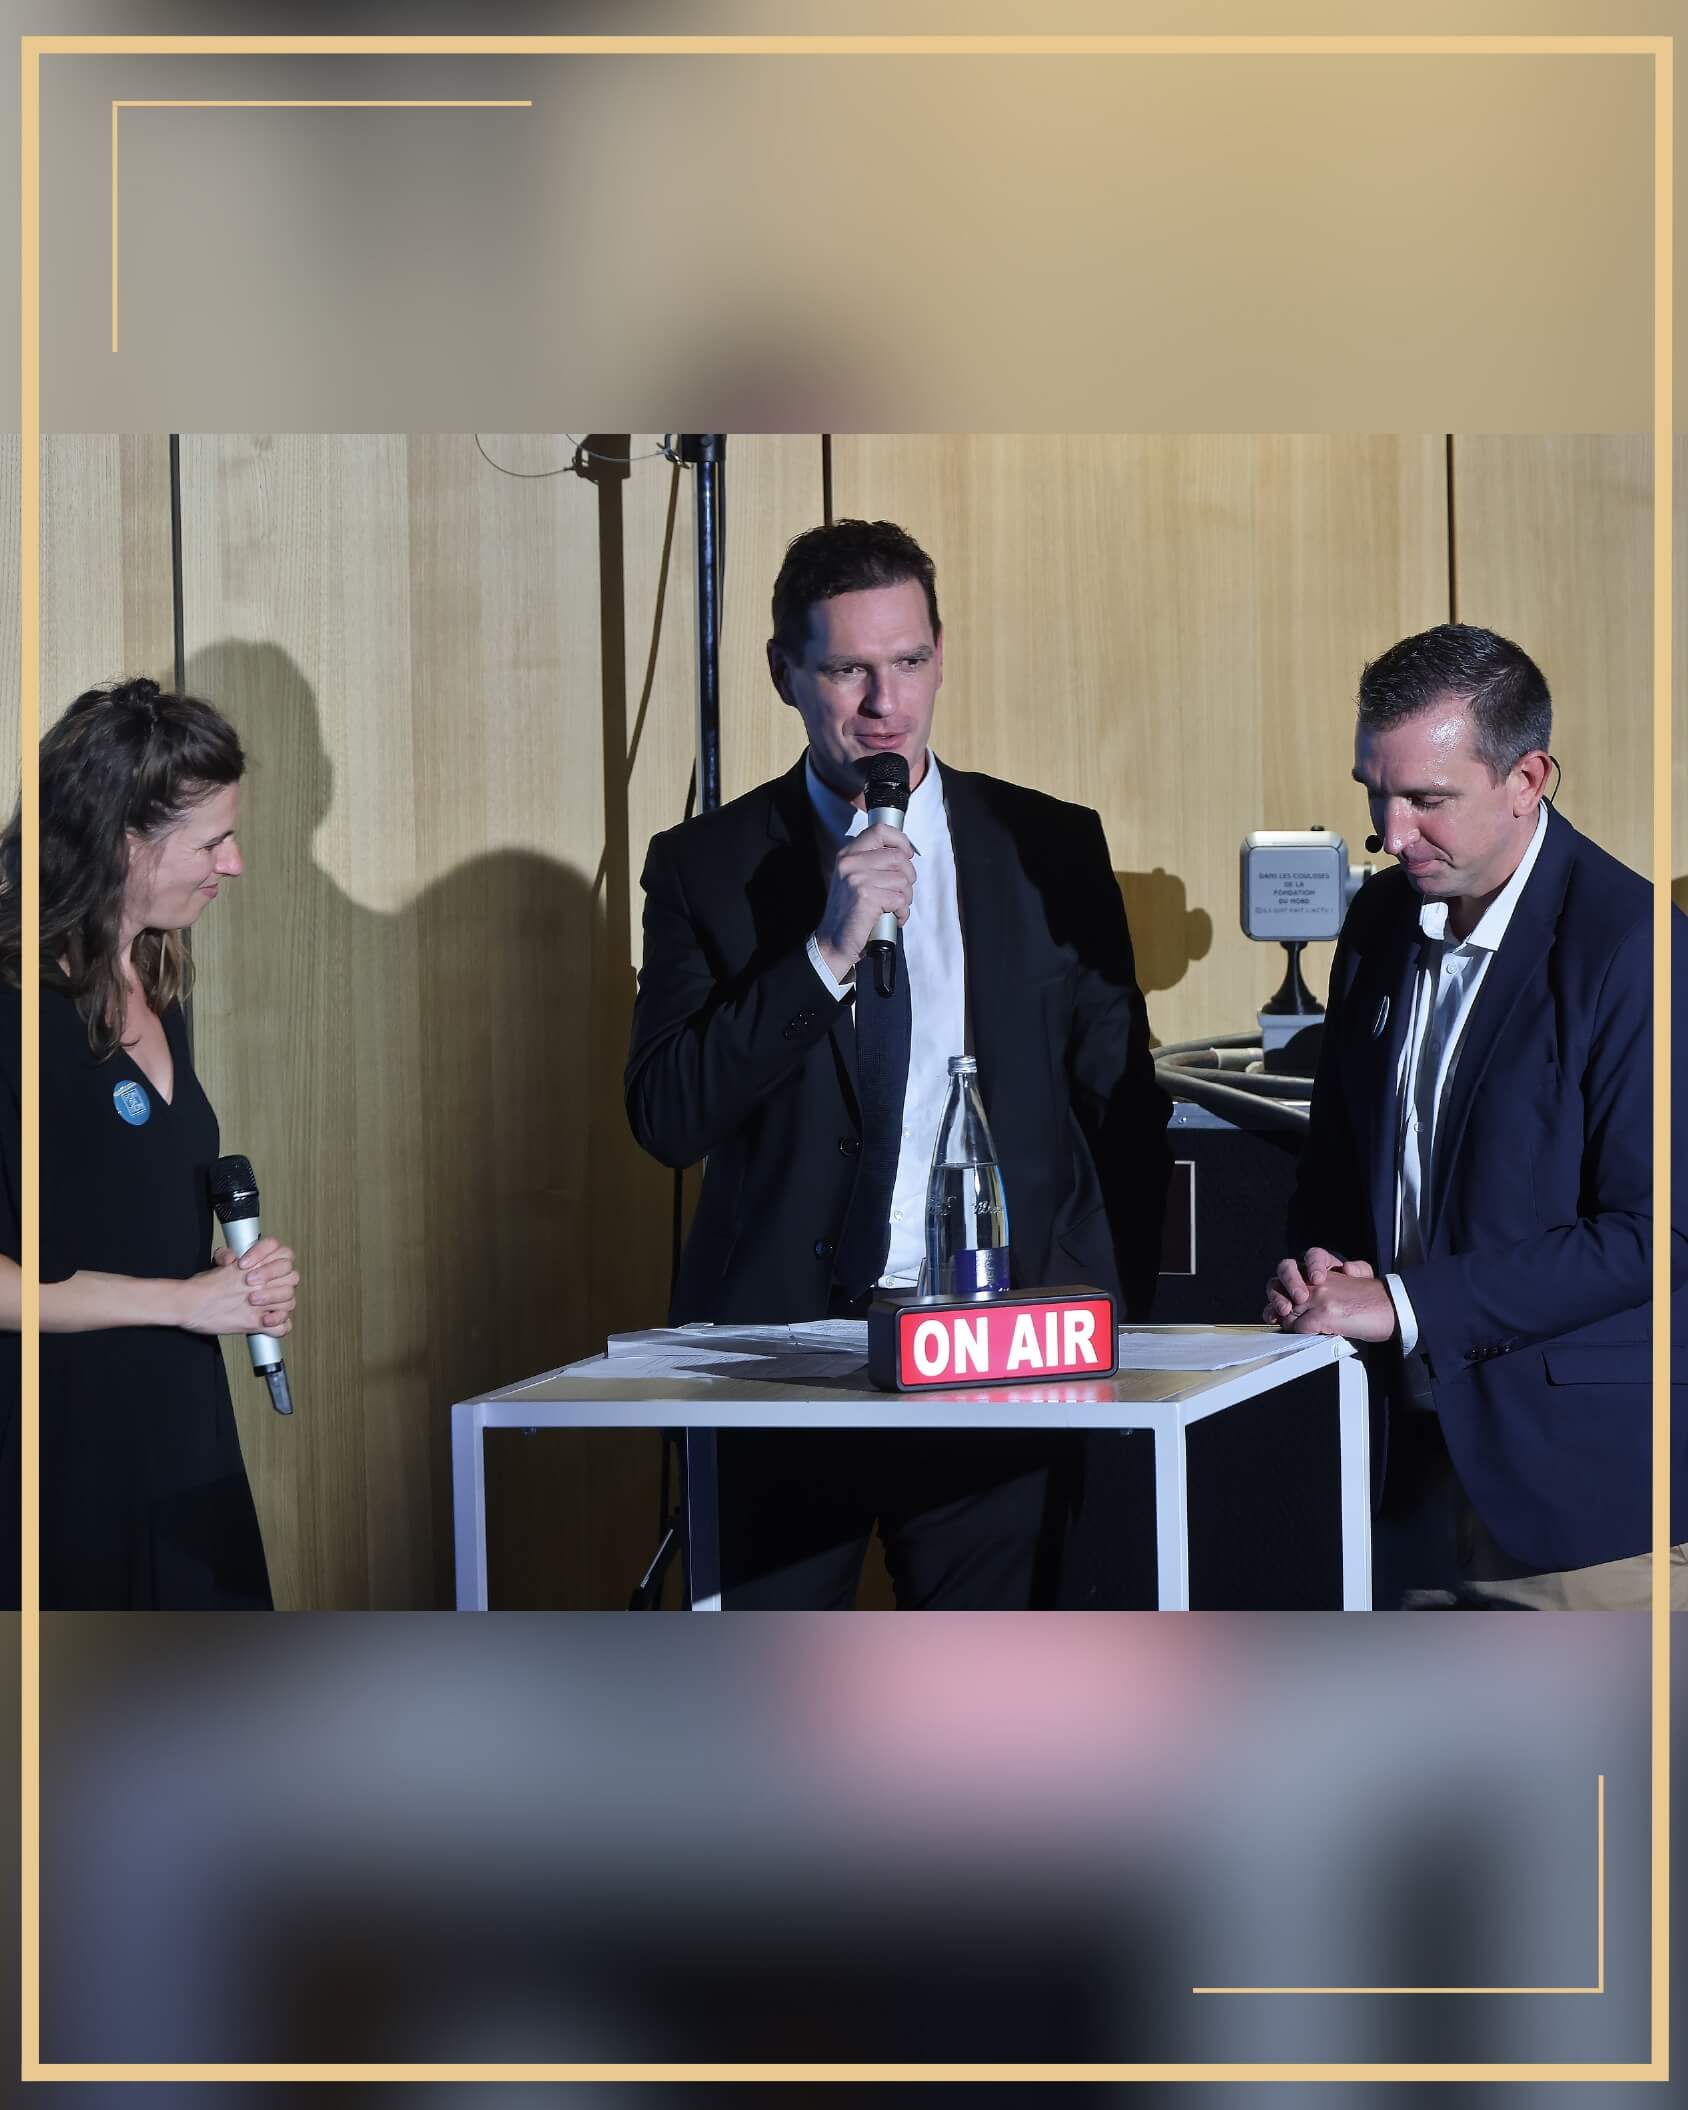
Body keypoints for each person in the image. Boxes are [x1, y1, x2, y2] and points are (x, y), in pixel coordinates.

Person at [626, 519, 1171, 1608]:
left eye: (909, 660)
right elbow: (667, 1116)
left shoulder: (1050, 846)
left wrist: (1112, 1321)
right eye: (847, 670)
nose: (886, 703)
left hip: (1001, 1353)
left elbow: (1120, 1113)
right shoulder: (705, 866)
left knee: (986, 1700)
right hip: (780, 1367)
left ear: (940, 655)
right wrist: (823, 955)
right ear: (784, 673)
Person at [1264, 624, 1685, 1608]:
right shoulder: (1376, 923)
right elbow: (1335, 1165)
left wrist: (1404, 1303)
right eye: (1374, 792)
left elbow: (1654, 1232)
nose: (1388, 832)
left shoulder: (1632, 948)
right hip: (1398, 1484)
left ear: (1526, 779)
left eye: (1425, 799)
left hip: (1580, 1511)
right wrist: (1316, 1264)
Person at [0, 677, 299, 1609]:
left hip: (181, 1437)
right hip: (60, 1457)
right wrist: (182, 1301)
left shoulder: (158, 983)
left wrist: (228, 1279)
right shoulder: (9, 1008)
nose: (233, 864)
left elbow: (115, 1212)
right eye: (210, 842)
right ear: (124, 841)